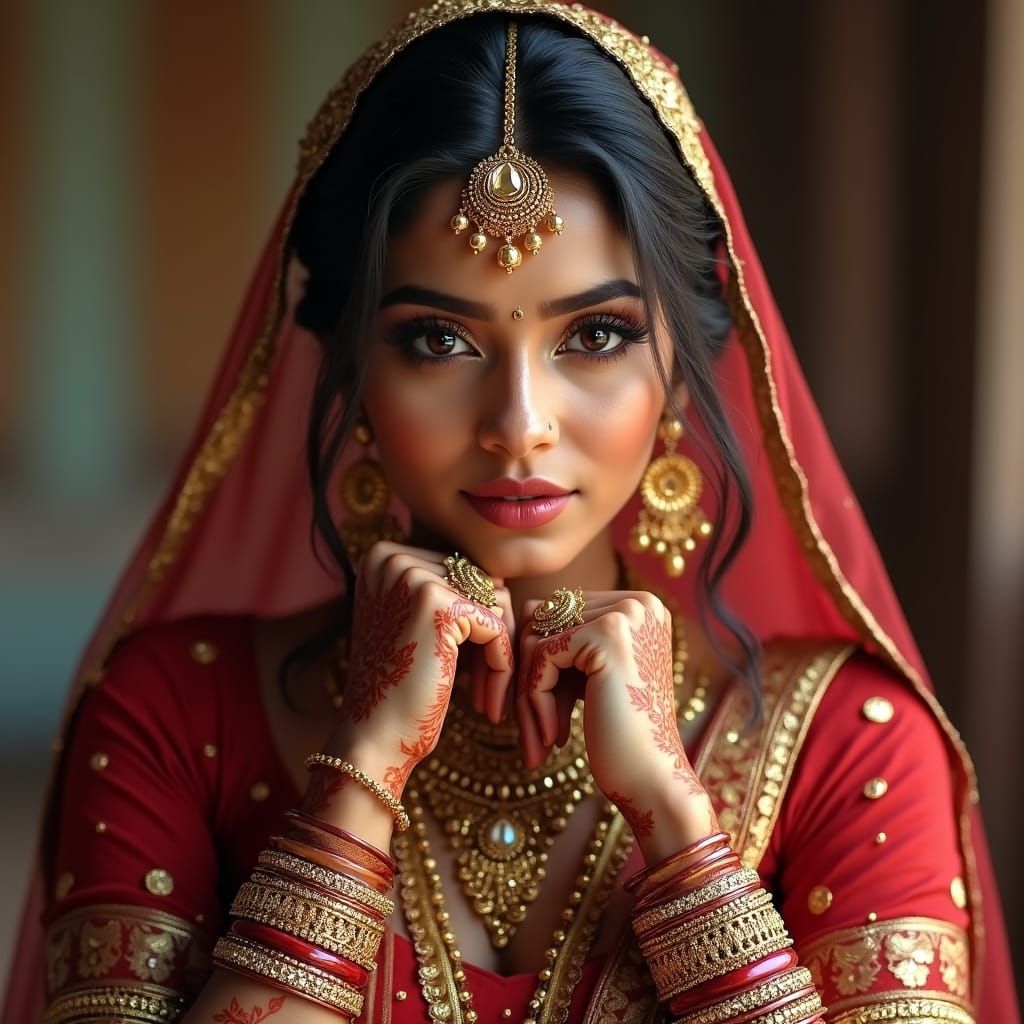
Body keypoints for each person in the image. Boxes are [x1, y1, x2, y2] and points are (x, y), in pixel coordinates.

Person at [3, 2, 1017, 1022]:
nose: (520, 425)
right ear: (350, 369)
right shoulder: (173, 715)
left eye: (596, 335)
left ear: (682, 363)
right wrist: (356, 780)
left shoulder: (851, 745)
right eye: (439, 341)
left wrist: (677, 828)